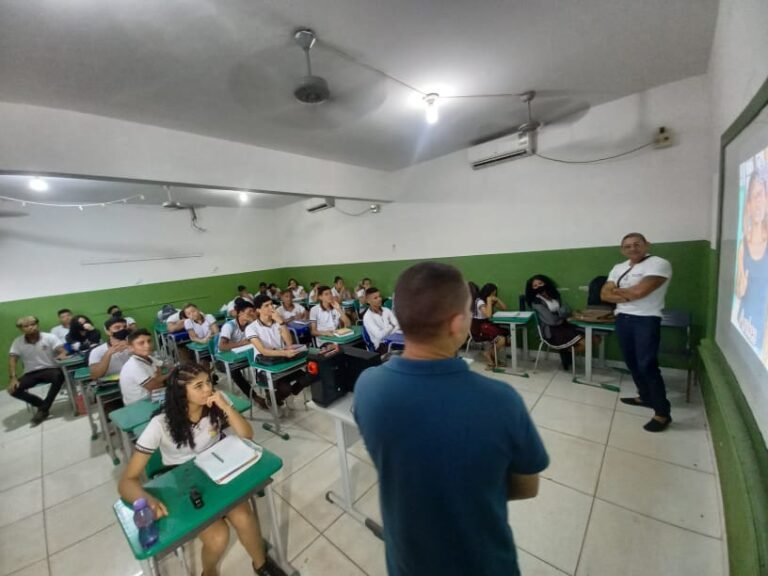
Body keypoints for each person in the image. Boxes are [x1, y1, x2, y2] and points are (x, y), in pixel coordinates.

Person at [354, 262, 549, 576]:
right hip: (481, 563)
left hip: (406, 559)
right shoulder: (501, 401)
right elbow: (527, 486)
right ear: (458, 324)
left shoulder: (367, 387)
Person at [118, 363, 286, 576]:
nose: (208, 389)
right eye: (198, 386)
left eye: (208, 382)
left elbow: (246, 435)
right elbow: (127, 481)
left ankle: (261, 564)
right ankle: (209, 572)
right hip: (184, 480)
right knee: (218, 536)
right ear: (181, 393)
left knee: (244, 517)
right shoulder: (160, 424)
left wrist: (225, 406)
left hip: (219, 468)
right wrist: (147, 500)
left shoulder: (214, 404)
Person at [601, 232, 673, 432]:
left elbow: (640, 292)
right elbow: (604, 294)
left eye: (636, 244)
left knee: (647, 365)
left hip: (646, 319)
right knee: (632, 362)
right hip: (622, 318)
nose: (632, 249)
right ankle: (645, 397)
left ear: (646, 244)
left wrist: (619, 292)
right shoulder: (619, 267)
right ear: (622, 249)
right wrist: (628, 294)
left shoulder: (658, 264)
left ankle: (662, 413)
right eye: (627, 246)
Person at [246, 295, 308, 404]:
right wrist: (285, 353)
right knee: (285, 388)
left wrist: (281, 322)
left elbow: (289, 343)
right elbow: (263, 351)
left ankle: (287, 394)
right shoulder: (251, 328)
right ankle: (272, 399)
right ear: (258, 310)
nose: (271, 307)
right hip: (266, 368)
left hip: (282, 362)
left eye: (271, 304)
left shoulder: (277, 323)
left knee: (308, 377)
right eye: (266, 306)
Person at [7, 316, 68, 425]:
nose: (31, 327)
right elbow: (13, 359)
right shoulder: (18, 342)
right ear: (21, 329)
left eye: (33, 324)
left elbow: (62, 351)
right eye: (26, 326)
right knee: (13, 390)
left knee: (59, 376)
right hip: (31, 373)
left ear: (37, 325)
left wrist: (62, 354)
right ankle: (43, 406)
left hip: (50, 369)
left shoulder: (49, 337)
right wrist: (13, 378)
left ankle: (43, 409)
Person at [735, 172, 768, 352]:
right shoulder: (743, 245)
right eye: (754, 196)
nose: (758, 202)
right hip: (744, 325)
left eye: (761, 194)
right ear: (748, 204)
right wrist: (741, 288)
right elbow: (739, 291)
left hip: (762, 339)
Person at [524, 275, 585, 369]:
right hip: (551, 330)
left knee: (594, 338)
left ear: (546, 283)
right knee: (584, 343)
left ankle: (566, 351)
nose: (539, 286)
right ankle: (567, 351)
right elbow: (551, 320)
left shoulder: (554, 296)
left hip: (562, 325)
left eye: (540, 283)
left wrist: (563, 314)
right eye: (535, 286)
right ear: (532, 289)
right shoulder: (536, 302)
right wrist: (563, 315)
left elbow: (567, 309)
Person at [218, 299, 261, 402]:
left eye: (253, 311)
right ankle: (254, 397)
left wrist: (255, 322)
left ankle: (268, 390)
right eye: (249, 311)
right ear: (240, 313)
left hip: (242, 355)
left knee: (261, 360)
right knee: (234, 372)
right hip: (225, 359)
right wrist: (242, 343)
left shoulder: (249, 325)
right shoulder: (229, 326)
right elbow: (222, 346)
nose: (252, 314)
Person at [119, 329, 169, 405]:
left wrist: (159, 377)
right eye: (141, 343)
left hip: (153, 395)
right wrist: (168, 374)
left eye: (149, 341)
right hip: (140, 404)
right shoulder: (133, 365)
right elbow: (155, 386)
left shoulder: (148, 357)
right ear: (131, 348)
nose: (147, 345)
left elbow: (166, 366)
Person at [471, 283, 509, 368]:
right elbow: (488, 315)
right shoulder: (480, 301)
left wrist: (497, 300)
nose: (493, 296)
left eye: (494, 294)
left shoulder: (487, 300)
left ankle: (491, 354)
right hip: (478, 327)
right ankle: (488, 354)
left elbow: (504, 308)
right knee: (501, 339)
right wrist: (489, 301)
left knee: (505, 334)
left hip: (486, 325)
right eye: (492, 294)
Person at [363, 287, 400, 352]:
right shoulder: (368, 317)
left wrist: (389, 331)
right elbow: (380, 336)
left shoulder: (386, 310)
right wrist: (391, 326)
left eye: (379, 296)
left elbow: (397, 324)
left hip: (392, 339)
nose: (379, 299)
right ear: (368, 301)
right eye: (375, 298)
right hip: (380, 346)